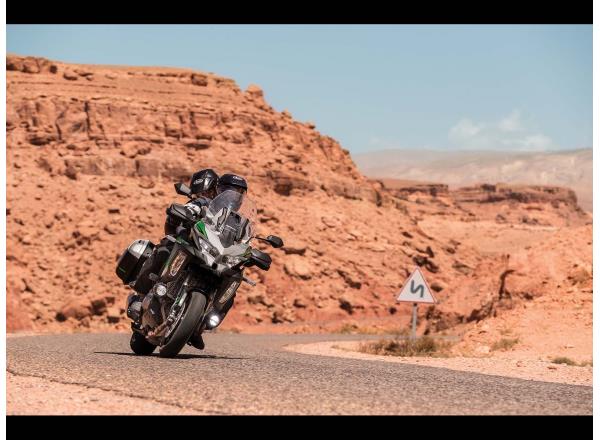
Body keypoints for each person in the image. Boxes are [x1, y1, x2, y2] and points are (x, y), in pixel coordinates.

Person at [131, 169, 219, 297]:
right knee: (165, 250)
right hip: (188, 241)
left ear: (216, 191)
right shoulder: (197, 203)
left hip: (211, 251)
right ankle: (140, 294)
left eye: (209, 192)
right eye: (201, 193)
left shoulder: (224, 213)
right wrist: (189, 210)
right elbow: (190, 209)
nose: (205, 196)